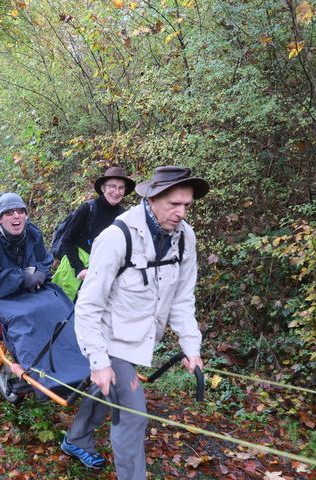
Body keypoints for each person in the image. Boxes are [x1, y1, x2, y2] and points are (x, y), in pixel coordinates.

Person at [62, 166, 209, 478]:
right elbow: (88, 306)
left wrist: (190, 346)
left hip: (141, 337)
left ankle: (75, 437)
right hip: (109, 337)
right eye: (174, 204)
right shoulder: (117, 237)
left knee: (109, 393)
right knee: (133, 414)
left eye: (187, 205)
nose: (182, 213)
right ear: (153, 199)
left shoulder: (185, 238)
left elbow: (183, 299)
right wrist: (99, 361)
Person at [0, 193, 89, 391]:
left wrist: (42, 273)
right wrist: (22, 278)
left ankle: (81, 365)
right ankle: (34, 372)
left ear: (26, 215)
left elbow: (44, 258)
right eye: (9, 213)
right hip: (3, 292)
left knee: (61, 307)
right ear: (0, 218)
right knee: (26, 316)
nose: (16, 216)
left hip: (34, 288)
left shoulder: (32, 231)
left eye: (20, 211)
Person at [52, 166, 136, 301]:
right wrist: (79, 268)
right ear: (103, 188)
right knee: (65, 313)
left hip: (101, 273)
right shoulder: (88, 208)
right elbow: (68, 240)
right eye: (112, 187)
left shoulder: (124, 216)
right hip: (74, 272)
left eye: (121, 188)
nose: (116, 192)